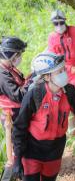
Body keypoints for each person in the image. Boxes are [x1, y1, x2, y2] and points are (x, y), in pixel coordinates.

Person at [12, 52, 75, 181]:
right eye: (59, 72)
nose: (64, 74)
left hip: (55, 150)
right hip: (32, 151)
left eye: (64, 69)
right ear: (46, 77)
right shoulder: (35, 94)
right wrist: (17, 159)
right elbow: (20, 127)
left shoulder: (69, 92)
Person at [0, 36, 29, 181]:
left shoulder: (9, 68)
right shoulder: (2, 74)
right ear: (9, 54)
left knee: (22, 147)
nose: (19, 57)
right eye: (18, 54)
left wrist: (31, 78)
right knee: (15, 155)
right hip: (11, 117)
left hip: (18, 114)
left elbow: (21, 83)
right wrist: (31, 85)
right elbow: (17, 95)